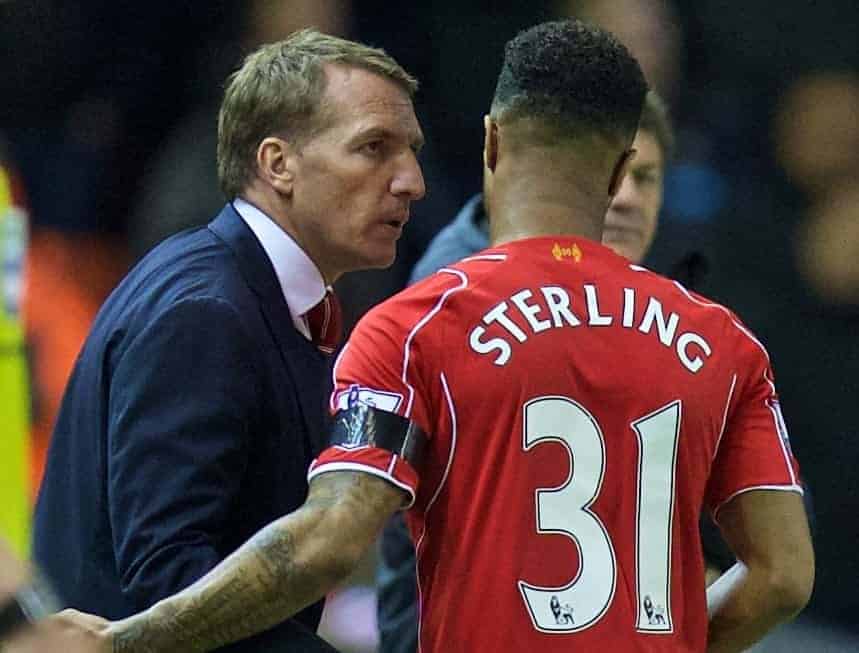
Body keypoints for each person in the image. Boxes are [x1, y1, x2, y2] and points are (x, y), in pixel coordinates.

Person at [52, 19, 813, 653]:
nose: (410, 180)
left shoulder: (414, 327)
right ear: (618, 169)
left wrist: (125, 642)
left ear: (490, 144)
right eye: (376, 149)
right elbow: (782, 575)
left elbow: (327, 541)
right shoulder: (721, 340)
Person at [32, 29, 424, 652]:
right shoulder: (207, 312)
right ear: (278, 164)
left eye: (411, 151)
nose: (411, 181)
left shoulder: (243, 289)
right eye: (374, 148)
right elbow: (167, 587)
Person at [378, 88, 675, 653]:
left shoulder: (658, 307)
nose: (630, 198)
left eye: (650, 178)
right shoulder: (456, 296)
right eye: (612, 174)